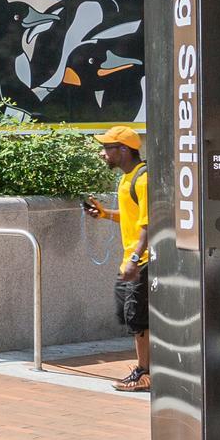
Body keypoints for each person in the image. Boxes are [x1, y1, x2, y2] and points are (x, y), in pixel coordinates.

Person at [84, 127, 149, 390]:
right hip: (132, 261)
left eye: (107, 148)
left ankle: (144, 374)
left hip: (142, 262)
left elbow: (148, 223)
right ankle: (145, 368)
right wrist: (103, 214)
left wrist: (135, 259)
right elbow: (131, 216)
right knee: (132, 319)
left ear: (123, 149)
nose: (103, 154)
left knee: (139, 319)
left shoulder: (143, 179)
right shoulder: (127, 179)